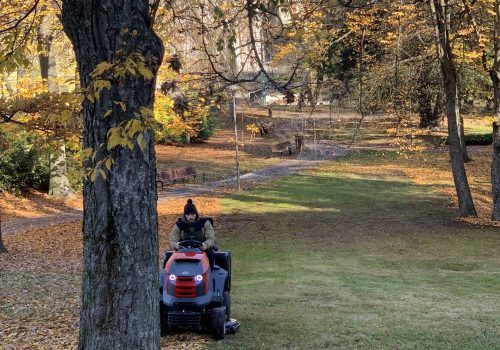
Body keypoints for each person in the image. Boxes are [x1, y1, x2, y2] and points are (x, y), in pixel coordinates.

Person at [169, 198, 216, 265]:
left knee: (211, 256)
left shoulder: (205, 223)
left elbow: (211, 239)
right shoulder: (179, 225)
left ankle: (209, 274)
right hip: (183, 253)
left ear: (196, 214)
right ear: (185, 215)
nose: (190, 217)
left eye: (192, 214)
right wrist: (175, 245)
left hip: (202, 251)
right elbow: (172, 240)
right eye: (188, 215)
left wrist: (205, 245)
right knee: (169, 259)